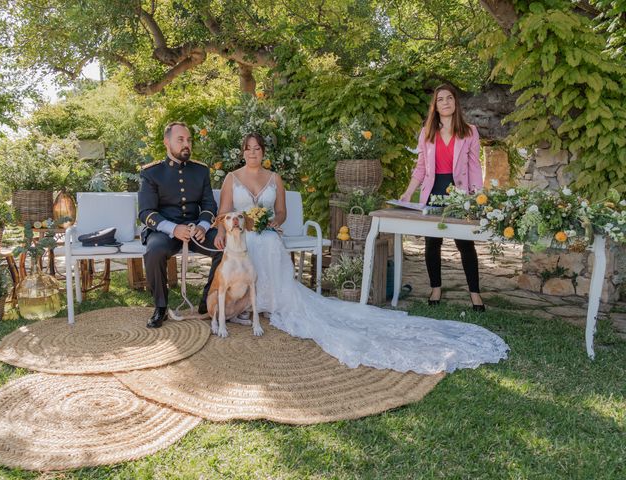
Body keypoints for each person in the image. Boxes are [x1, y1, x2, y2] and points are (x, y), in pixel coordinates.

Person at [215, 132, 508, 375]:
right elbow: (223, 212)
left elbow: (281, 211)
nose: (253, 153)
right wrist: (221, 232)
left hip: (266, 233)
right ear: (242, 152)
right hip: (239, 238)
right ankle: (248, 304)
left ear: (263, 152)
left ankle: (269, 301)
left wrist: (271, 223)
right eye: (248, 149)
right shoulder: (232, 178)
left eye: (257, 148)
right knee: (251, 244)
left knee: (266, 242)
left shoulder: (274, 178)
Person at [400, 84, 486, 311]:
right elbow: (420, 168)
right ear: (435, 105)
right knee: (432, 243)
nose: (445, 102)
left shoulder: (469, 131)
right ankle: (436, 287)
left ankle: (475, 293)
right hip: (433, 190)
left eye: (449, 98)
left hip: (459, 193)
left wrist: (478, 197)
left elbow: (475, 167)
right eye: (440, 99)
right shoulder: (427, 133)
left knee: (465, 243)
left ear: (455, 102)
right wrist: (409, 192)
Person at [138, 122, 221, 328]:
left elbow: (209, 205)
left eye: (189, 140)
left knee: (223, 247)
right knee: (154, 251)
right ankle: (160, 307)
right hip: (165, 231)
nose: (187, 144)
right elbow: (146, 212)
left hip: (195, 230)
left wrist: (203, 226)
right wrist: (173, 228)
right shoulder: (151, 173)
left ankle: (207, 302)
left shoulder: (200, 171)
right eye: (180, 140)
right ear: (167, 142)